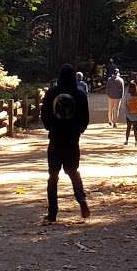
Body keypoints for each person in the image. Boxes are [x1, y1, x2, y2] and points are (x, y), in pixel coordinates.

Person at [40, 64, 90, 222]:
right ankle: (81, 199)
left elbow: (45, 114)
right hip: (72, 140)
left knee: (53, 176)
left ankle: (52, 212)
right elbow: (85, 118)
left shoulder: (52, 93)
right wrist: (77, 132)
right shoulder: (80, 95)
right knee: (73, 171)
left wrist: (51, 127)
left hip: (55, 139)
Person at [123, 78, 137, 145]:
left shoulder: (128, 95)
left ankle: (126, 140)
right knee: (135, 128)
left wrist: (127, 112)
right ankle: (136, 141)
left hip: (129, 113)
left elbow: (125, 104)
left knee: (128, 127)